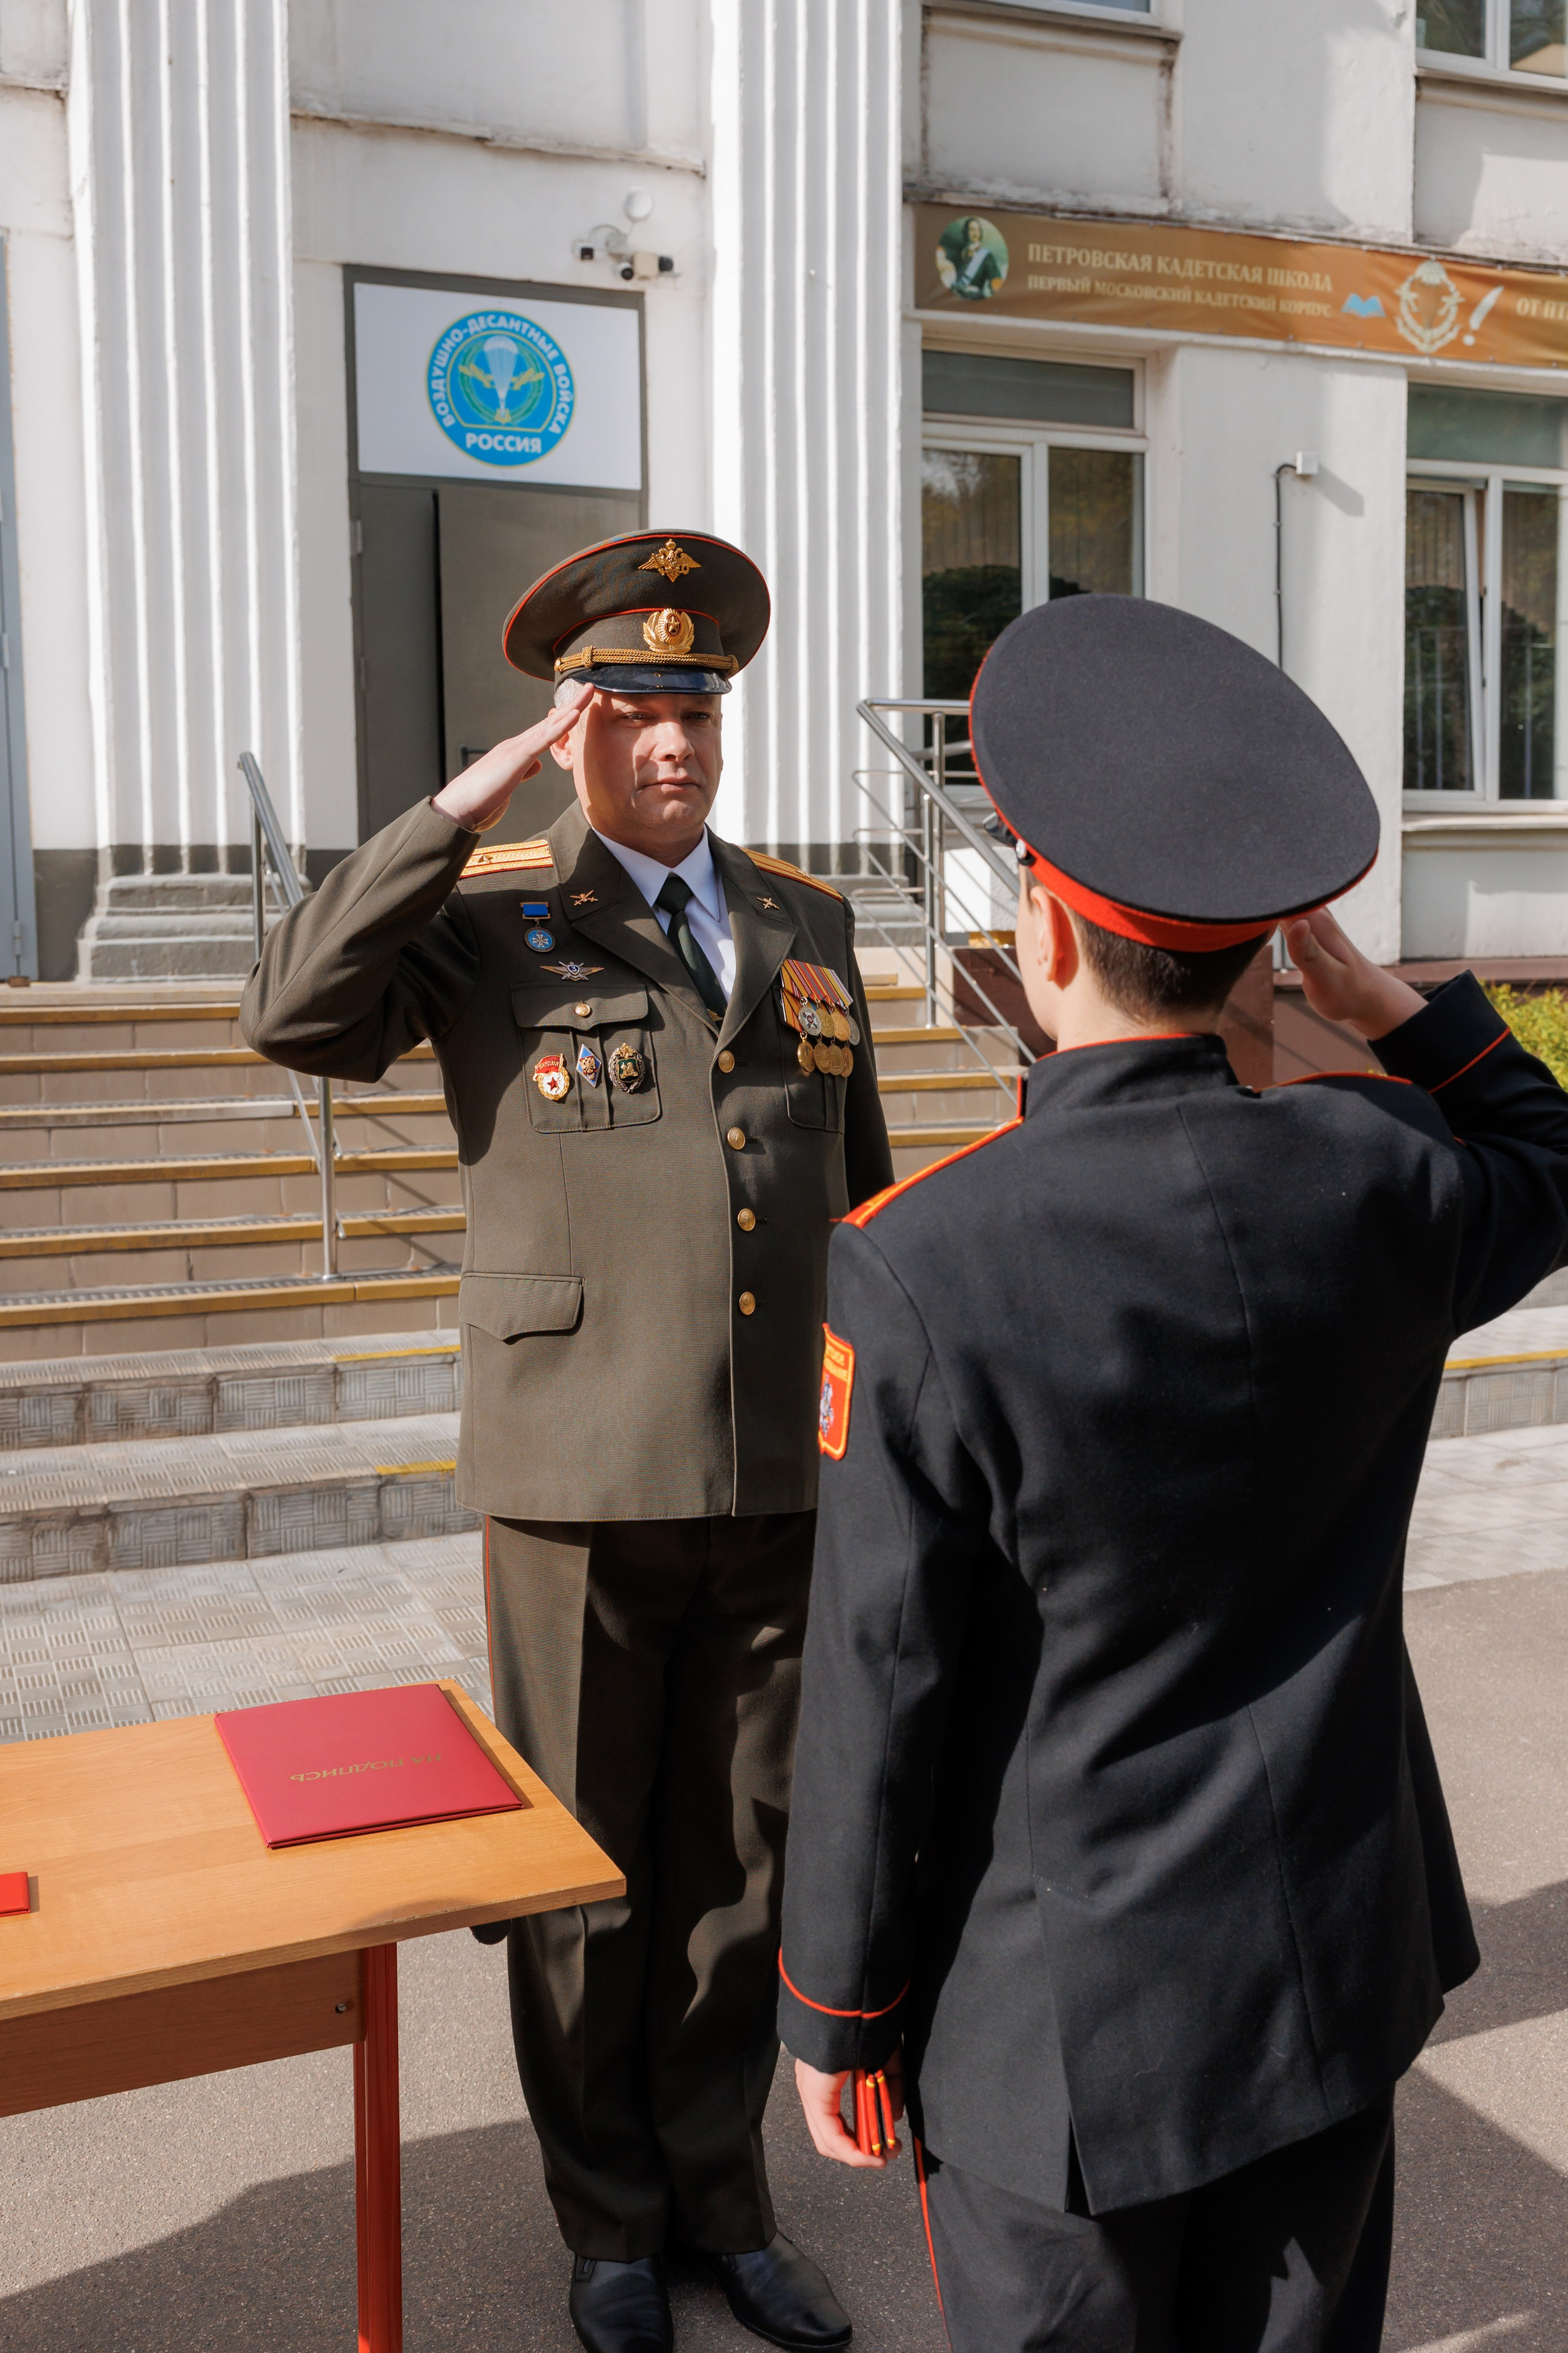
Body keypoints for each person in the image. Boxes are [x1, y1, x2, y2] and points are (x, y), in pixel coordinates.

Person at [775, 593, 1568, 2353]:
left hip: (1061, 2030)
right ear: (1262, 949)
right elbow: (1552, 1150)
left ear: (1042, 922)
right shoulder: (1382, 1177)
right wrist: (1401, 1008)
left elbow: (880, 1679)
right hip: (1329, 1981)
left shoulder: (929, 1257)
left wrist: (836, 2003)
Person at [242, 530, 892, 2353]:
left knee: (743, 1862)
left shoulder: (802, 922)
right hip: (578, 1478)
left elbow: (865, 1200)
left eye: (696, 706)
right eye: (628, 709)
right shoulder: (488, 909)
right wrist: (461, 802)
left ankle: (725, 2199)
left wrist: (886, 1435)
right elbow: (291, 1008)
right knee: (587, 1865)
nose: (671, 742)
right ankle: (605, 2221)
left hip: (777, 1476)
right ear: (573, 727)